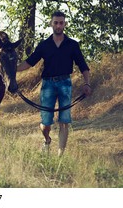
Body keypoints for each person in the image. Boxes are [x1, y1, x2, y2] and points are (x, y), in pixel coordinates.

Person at [17, 11, 92, 156]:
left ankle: (60, 156)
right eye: (56, 22)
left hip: (65, 83)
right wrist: (12, 70)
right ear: (51, 24)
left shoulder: (72, 45)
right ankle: (47, 140)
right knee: (45, 123)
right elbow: (29, 62)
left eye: (61, 23)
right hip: (48, 85)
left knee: (64, 121)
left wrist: (87, 83)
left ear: (65, 24)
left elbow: (83, 65)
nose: (58, 25)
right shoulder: (44, 45)